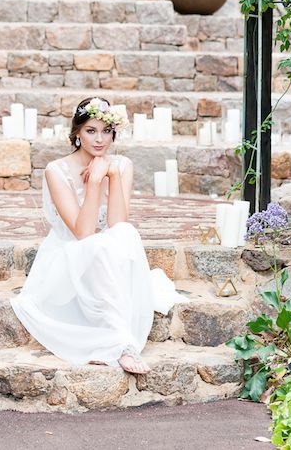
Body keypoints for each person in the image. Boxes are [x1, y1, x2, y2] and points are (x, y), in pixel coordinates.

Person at [11, 96, 187, 375]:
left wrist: (113, 176)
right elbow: (83, 233)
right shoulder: (56, 171)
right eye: (91, 131)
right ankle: (122, 345)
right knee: (95, 247)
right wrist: (94, 181)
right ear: (77, 133)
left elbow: (117, 224)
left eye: (106, 131)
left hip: (108, 257)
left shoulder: (122, 165)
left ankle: (118, 341)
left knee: (125, 232)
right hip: (69, 258)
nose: (99, 139)